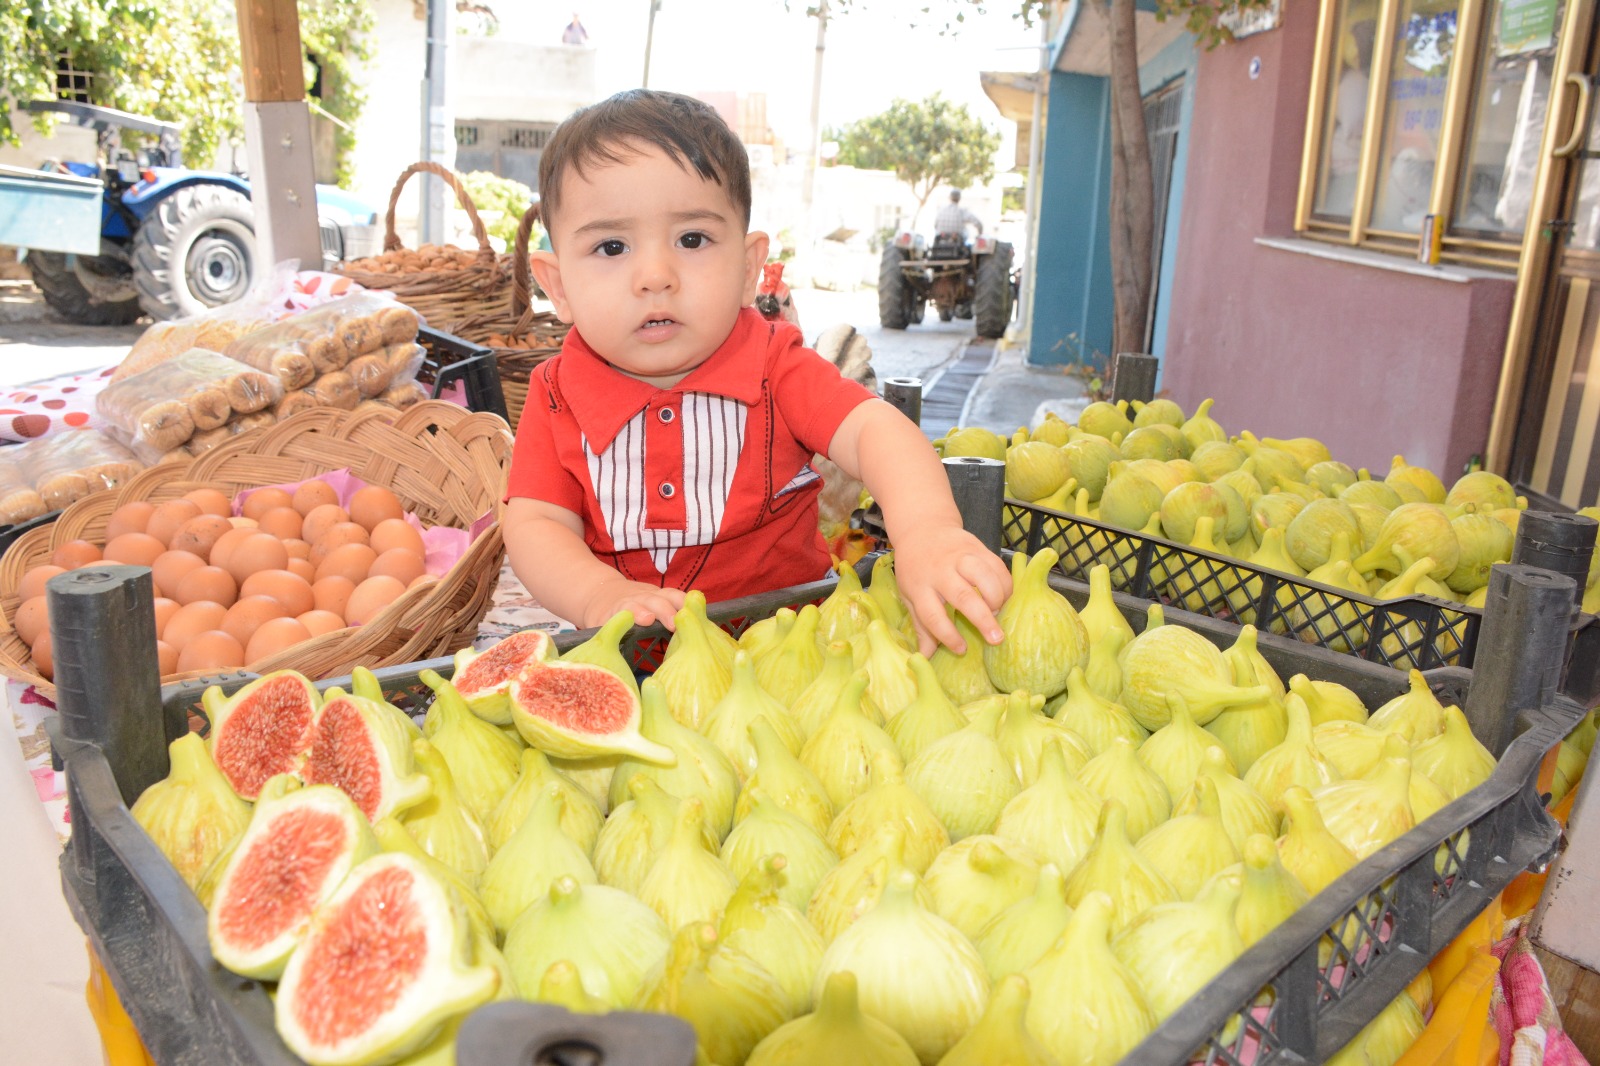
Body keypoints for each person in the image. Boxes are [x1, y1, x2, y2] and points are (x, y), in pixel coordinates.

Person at [505, 89, 1012, 655]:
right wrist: (600, 594)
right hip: (628, 657)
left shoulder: (776, 366)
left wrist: (928, 532)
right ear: (556, 286)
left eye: (691, 239)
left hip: (797, 654)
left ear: (749, 269)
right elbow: (536, 526)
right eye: (612, 246)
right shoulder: (555, 395)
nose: (654, 275)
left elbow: (876, 431)